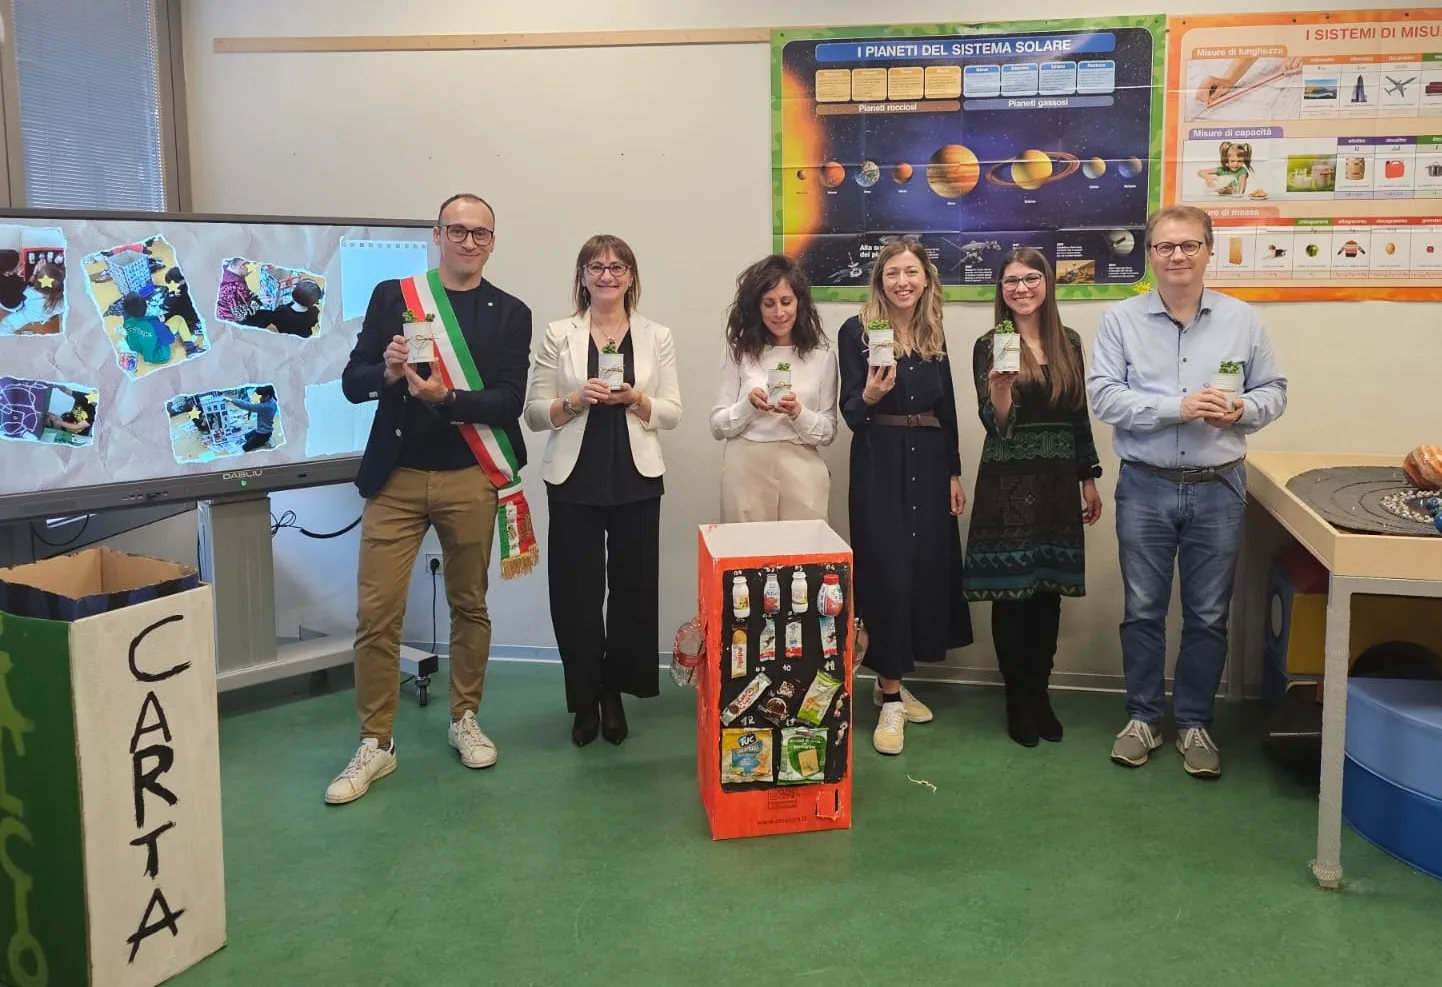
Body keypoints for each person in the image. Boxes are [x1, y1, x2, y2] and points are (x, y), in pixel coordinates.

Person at [326, 192, 537, 805]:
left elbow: (508, 400)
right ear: (437, 235)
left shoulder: (510, 313)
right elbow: (353, 382)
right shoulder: (394, 297)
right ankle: (375, 742)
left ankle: (464, 718)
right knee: (377, 612)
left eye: (480, 233)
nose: (468, 241)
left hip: (470, 476)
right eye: (457, 230)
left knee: (469, 604)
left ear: (492, 242)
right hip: (395, 478)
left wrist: (448, 399)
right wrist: (388, 373)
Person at [1088, 205, 1287, 779]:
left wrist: (1242, 410)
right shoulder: (1121, 320)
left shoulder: (1242, 320)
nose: (1177, 256)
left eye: (1189, 245)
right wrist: (1178, 407)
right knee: (1143, 610)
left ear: (1208, 251)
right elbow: (1104, 396)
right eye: (1165, 246)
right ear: (1150, 255)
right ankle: (1143, 718)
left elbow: (1274, 391)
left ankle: (1196, 721)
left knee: (1208, 615)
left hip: (1218, 487)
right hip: (1144, 486)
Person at [523, 234, 681, 747]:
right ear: (583, 276)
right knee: (576, 594)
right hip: (575, 479)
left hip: (637, 478)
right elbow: (533, 413)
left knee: (633, 591)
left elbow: (672, 412)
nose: (607, 275)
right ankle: (585, 696)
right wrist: (574, 400)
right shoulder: (559, 333)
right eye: (596, 267)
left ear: (631, 276)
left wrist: (636, 399)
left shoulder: (657, 335)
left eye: (617, 267)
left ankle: (614, 691)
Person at [963, 248, 1103, 748]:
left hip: (1058, 483)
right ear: (1001, 291)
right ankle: (1017, 699)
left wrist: (1088, 476)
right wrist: (1000, 391)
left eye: (1030, 278)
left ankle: (1040, 694)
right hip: (1008, 482)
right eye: (1010, 281)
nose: (1020, 289)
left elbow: (1079, 413)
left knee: (1047, 594)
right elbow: (995, 424)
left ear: (1047, 283)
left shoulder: (1069, 342)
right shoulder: (990, 345)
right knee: (1012, 595)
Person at [838, 239, 973, 756]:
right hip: (881, 461)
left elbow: (949, 407)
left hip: (930, 460)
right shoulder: (856, 331)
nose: (902, 281)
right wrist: (871, 394)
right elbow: (852, 413)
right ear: (880, 280)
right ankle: (891, 698)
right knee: (887, 571)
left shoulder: (933, 332)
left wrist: (954, 472)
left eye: (911, 272)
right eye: (892, 272)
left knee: (921, 570)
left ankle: (889, 683)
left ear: (925, 279)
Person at [709, 254, 837, 521]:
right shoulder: (738, 352)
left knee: (803, 545)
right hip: (745, 468)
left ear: (800, 303)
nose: (779, 313)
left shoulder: (822, 355)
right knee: (746, 545)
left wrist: (799, 413)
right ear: (756, 307)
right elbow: (718, 426)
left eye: (786, 302)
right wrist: (747, 406)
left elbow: (827, 432)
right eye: (769, 304)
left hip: (802, 470)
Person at [227, 385, 278, 452]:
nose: (260, 398)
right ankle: (266, 437)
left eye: (261, 396)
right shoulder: (272, 400)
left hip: (263, 433)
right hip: (261, 429)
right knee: (246, 437)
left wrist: (231, 400)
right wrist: (261, 398)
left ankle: (266, 439)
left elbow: (248, 406)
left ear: (267, 396)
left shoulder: (265, 406)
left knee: (244, 448)